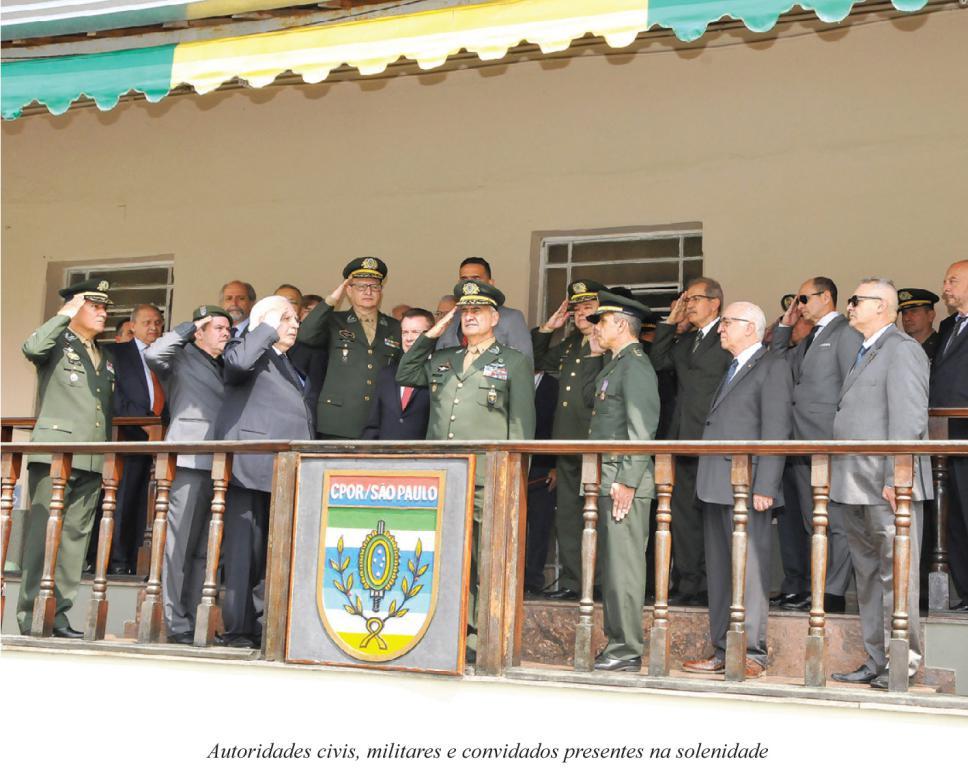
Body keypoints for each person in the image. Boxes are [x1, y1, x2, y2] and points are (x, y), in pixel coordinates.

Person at [396, 279, 535, 661]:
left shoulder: (513, 362)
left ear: (494, 317)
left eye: (477, 311)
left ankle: (483, 636)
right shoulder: (445, 359)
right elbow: (405, 373)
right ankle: (453, 630)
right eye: (464, 311)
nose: (470, 316)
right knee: (449, 557)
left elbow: (521, 426)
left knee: (485, 559)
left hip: (487, 478)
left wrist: (514, 480)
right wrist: (433, 333)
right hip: (445, 475)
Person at [829, 279, 931, 689]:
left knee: (897, 576)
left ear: (883, 308)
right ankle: (876, 659)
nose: (850, 307)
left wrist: (896, 476)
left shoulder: (902, 350)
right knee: (868, 577)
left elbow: (909, 418)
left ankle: (901, 663)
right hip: (854, 482)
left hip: (886, 483)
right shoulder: (865, 350)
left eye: (856, 301)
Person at [682, 302, 792, 679]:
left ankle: (753, 654)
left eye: (728, 322)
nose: (721, 329)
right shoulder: (733, 367)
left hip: (748, 486)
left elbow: (776, 429)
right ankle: (721, 649)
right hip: (716, 483)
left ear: (752, 328)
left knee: (751, 574)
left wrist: (766, 484)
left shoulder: (772, 365)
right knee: (721, 573)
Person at [17, 280, 115, 637]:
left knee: (74, 542)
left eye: (106, 307)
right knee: (44, 538)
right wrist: (63, 314)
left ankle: (58, 616)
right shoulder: (58, 340)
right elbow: (31, 347)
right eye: (96, 306)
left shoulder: (102, 354)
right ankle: (31, 615)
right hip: (54, 455)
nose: (104, 312)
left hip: (90, 456)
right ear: (76, 307)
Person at [216, 296, 315, 647]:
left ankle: (261, 625)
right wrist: (265, 327)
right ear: (265, 321)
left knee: (270, 553)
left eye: (294, 319)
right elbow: (237, 364)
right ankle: (239, 629)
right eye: (286, 318)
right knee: (246, 554)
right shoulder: (248, 347)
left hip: (280, 468)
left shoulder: (283, 360)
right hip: (250, 465)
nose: (294, 324)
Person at [770, 276, 861, 613]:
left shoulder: (844, 333)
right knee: (813, 521)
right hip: (799, 441)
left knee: (834, 521)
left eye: (804, 299)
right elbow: (777, 362)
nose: (799, 306)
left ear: (826, 297)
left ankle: (833, 591)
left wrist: (842, 438)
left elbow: (853, 386)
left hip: (827, 440)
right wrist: (785, 326)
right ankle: (817, 586)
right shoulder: (810, 337)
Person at [145, 305, 232, 644]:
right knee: (178, 546)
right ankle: (173, 621)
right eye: (218, 327)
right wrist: (188, 327)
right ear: (200, 331)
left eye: (228, 328)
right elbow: (154, 352)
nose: (226, 333)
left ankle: (196, 621)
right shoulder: (181, 357)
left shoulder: (226, 362)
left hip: (222, 460)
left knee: (204, 549)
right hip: (189, 457)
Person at [582, 291, 660, 672]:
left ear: (621, 324)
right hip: (610, 477)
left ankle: (627, 648)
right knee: (612, 569)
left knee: (624, 570)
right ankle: (618, 643)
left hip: (623, 481)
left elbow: (641, 428)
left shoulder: (635, 366)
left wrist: (628, 480)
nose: (596, 327)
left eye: (601, 321)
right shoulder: (615, 364)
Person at [649, 277, 732, 606]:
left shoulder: (727, 337)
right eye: (687, 299)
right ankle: (688, 582)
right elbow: (657, 360)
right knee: (681, 517)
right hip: (681, 440)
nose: (689, 304)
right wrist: (670, 322)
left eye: (696, 298)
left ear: (715, 303)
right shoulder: (685, 342)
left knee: (712, 518)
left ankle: (713, 584)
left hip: (713, 441)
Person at [531, 279, 607, 600]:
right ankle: (576, 582)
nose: (580, 314)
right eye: (576, 309)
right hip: (565, 444)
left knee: (598, 517)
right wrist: (549, 328)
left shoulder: (609, 343)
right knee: (568, 517)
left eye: (588, 308)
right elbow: (534, 360)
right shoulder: (570, 345)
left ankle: (600, 583)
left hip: (595, 444)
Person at [296, 258, 401, 439]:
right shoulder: (333, 321)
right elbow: (305, 334)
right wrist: (332, 299)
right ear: (349, 290)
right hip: (338, 421)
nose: (368, 291)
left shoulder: (394, 327)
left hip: (378, 420)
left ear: (381, 291)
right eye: (360, 286)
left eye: (374, 286)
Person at [109, 303, 165, 575]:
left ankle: (142, 562)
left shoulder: (167, 353)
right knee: (124, 500)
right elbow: (115, 395)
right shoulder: (117, 352)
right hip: (128, 436)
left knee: (150, 502)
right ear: (132, 325)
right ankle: (119, 561)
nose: (154, 327)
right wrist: (145, 424)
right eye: (147, 322)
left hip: (161, 438)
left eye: (158, 322)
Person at [930, 260, 968, 611]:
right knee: (951, 515)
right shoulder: (947, 325)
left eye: (953, 280)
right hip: (943, 434)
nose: (946, 287)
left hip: (965, 431)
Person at [435, 258, 533, 360]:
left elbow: (524, 361)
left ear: (491, 283)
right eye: (464, 279)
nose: (469, 284)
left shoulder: (512, 318)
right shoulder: (453, 318)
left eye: (476, 278)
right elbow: (437, 360)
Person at [361, 308, 434, 440]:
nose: (409, 338)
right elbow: (374, 423)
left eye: (416, 332)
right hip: (386, 456)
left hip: (424, 456)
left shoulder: (439, 372)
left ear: (431, 335)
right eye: (405, 332)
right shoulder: (387, 373)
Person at [524, 367, 560, 597]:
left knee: (539, 528)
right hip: (515, 464)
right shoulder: (510, 377)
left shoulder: (554, 386)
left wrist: (556, 465)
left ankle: (533, 581)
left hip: (544, 466)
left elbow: (561, 426)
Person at [898, 288, 941, 362]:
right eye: (904, 313)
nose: (906, 318)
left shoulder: (941, 348)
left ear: (931, 315)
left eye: (913, 311)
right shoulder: (899, 347)